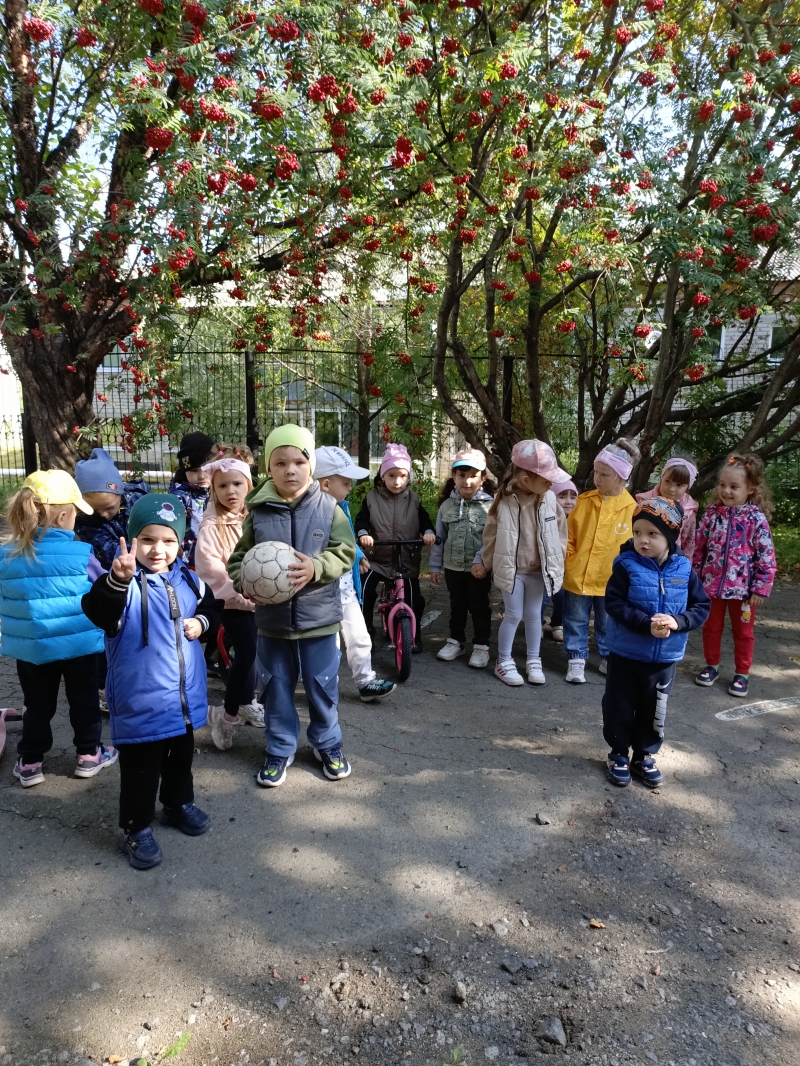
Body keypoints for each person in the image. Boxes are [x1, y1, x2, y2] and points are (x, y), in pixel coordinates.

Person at [82, 494, 219, 869]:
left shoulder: (188, 578)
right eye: (147, 539)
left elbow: (212, 608)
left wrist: (202, 622)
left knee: (180, 761)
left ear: (181, 542)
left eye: (168, 540)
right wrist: (117, 579)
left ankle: (177, 804)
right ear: (132, 540)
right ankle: (136, 827)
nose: (158, 549)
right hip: (141, 706)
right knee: (140, 773)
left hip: (183, 701)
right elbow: (97, 610)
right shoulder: (122, 584)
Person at [227, 425, 357, 788]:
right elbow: (238, 560)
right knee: (276, 688)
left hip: (320, 620)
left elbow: (345, 552)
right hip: (272, 624)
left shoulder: (329, 508)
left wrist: (317, 566)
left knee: (322, 687)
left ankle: (327, 743)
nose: (290, 470)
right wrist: (245, 582)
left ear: (311, 465)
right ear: (268, 467)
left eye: (299, 462)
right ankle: (279, 747)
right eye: (280, 463)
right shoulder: (257, 513)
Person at [0, 471, 116, 788]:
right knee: (84, 701)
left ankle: (30, 762)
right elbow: (102, 587)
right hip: (80, 645)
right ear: (64, 516)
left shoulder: (7, 555)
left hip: (32, 648)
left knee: (37, 704)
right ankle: (89, 755)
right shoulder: (81, 553)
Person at [603, 497, 710, 788]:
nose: (643, 540)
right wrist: (644, 623)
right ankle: (618, 754)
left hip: (664, 659)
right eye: (637, 532)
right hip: (626, 654)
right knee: (618, 706)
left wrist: (678, 621)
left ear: (670, 537)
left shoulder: (684, 569)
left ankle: (643, 756)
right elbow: (614, 603)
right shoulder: (626, 565)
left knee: (654, 710)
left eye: (652, 533)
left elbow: (701, 606)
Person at [481, 440, 570, 686]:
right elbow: (490, 535)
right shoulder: (503, 500)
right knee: (513, 614)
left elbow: (561, 532)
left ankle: (533, 659)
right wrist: (485, 562)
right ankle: (503, 660)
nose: (551, 483)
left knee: (533, 616)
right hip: (513, 571)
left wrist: (558, 558)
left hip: (538, 571)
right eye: (547, 479)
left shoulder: (549, 499)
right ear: (525, 480)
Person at [195, 450, 265, 751]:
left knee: (254, 653)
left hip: (259, 599)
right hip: (232, 601)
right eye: (222, 486)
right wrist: (238, 593)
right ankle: (227, 716)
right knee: (247, 652)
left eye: (237, 484)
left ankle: (246, 701)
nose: (230, 491)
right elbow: (210, 568)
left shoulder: (255, 517)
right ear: (214, 489)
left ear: (248, 485)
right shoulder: (211, 525)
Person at [314, 445, 397, 702]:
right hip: (323, 594)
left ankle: (366, 681)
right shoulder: (313, 514)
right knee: (329, 645)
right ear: (326, 484)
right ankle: (326, 687)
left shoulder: (341, 508)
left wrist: (358, 556)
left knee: (360, 637)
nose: (350, 487)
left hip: (347, 590)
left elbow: (347, 540)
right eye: (346, 482)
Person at [692, 453, 776, 698]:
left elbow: (766, 556)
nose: (726, 491)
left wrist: (760, 587)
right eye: (722, 485)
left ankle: (742, 673)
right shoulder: (711, 514)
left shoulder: (756, 519)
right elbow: (699, 548)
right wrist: (695, 578)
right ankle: (711, 665)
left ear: (750, 489)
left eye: (734, 486)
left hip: (744, 592)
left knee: (743, 633)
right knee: (711, 628)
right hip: (711, 587)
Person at [562, 438, 640, 684]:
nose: (597, 478)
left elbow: (634, 546)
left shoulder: (632, 509)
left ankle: (608, 657)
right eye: (596, 472)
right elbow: (568, 536)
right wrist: (570, 560)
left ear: (621, 477)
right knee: (575, 618)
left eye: (604, 474)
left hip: (611, 580)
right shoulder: (584, 502)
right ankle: (576, 658)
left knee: (609, 621)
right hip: (579, 574)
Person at [355, 442, 436, 652]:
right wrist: (363, 534)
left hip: (405, 560)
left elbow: (424, 520)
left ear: (408, 477)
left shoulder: (414, 500)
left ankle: (413, 635)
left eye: (402, 476)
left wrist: (428, 532)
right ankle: (366, 632)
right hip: (376, 559)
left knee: (414, 600)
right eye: (391, 475)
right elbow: (362, 520)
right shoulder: (371, 498)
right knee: (364, 593)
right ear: (383, 476)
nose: (397, 481)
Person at [429, 448, 495, 669]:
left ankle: (481, 646)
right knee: (457, 605)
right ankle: (456, 641)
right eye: (462, 475)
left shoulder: (491, 507)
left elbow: (492, 540)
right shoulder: (446, 506)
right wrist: (435, 566)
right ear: (454, 477)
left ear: (483, 478)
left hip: (479, 569)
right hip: (453, 567)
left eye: (473, 475)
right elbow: (439, 538)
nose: (467, 481)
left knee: (479, 606)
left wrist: (482, 561)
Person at [74, 447, 150, 570]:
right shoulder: (85, 521)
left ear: (120, 493)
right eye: (94, 510)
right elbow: (107, 552)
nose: (103, 514)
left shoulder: (138, 499)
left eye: (109, 507)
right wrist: (149, 548)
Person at [635, 455, 699, 561]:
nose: (671, 489)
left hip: (672, 562)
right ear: (662, 478)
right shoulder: (644, 503)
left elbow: (688, 543)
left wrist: (686, 565)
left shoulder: (688, 511)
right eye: (668, 481)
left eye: (679, 485)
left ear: (688, 486)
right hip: (642, 558)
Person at [168, 431, 216, 568]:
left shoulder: (220, 492)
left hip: (216, 558)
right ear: (184, 471)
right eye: (194, 470)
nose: (201, 476)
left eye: (206, 469)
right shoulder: (178, 498)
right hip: (186, 561)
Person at [543, 479, 578, 644]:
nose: (568, 501)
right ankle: (537, 623)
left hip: (568, 566)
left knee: (563, 596)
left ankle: (558, 624)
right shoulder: (546, 516)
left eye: (573, 497)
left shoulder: (578, 520)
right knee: (541, 597)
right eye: (562, 496)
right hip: (546, 565)